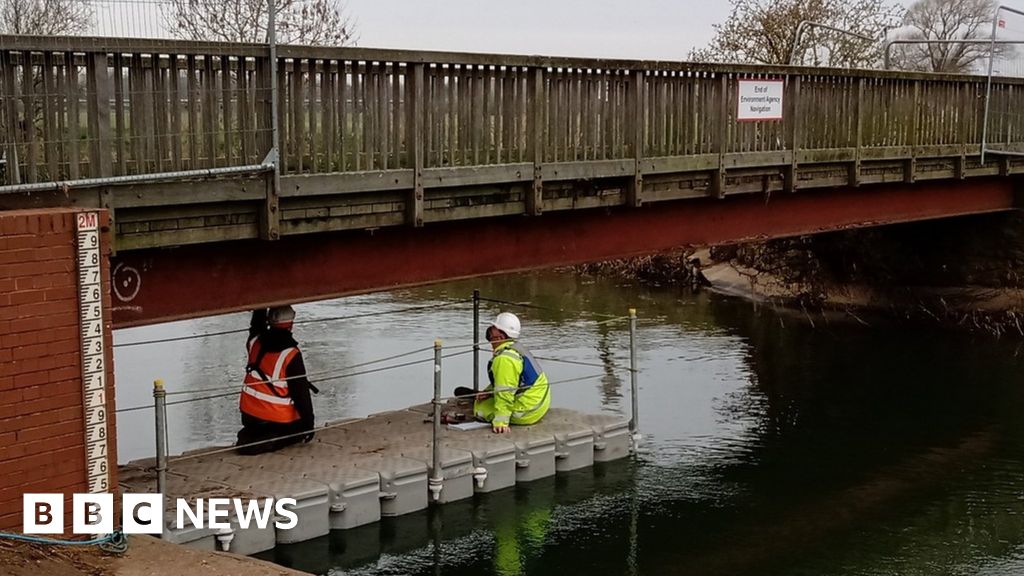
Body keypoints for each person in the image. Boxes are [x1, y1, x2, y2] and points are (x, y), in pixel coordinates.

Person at [236, 305, 317, 454]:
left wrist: (262, 303)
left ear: (269, 321)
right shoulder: (291, 354)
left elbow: (256, 325)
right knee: (300, 427)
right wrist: (309, 425)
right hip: (276, 419)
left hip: (249, 416)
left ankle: (253, 437)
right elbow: (301, 394)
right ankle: (273, 440)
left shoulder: (254, 343)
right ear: (291, 324)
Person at [458, 312, 551, 434]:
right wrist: (489, 392)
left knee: (480, 409)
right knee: (487, 400)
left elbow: (505, 393)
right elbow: (511, 381)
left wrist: (501, 422)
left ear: (501, 336)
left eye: (495, 328)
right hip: (540, 402)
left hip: (528, 410)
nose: (491, 330)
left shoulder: (504, 359)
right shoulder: (515, 347)